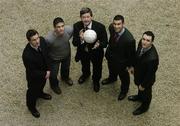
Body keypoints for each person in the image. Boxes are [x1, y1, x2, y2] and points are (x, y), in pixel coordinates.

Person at [72, 7, 108, 92]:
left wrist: (99, 44)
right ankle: (85, 75)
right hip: (83, 52)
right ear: (80, 18)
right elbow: (74, 43)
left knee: (97, 68)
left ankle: (96, 81)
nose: (86, 19)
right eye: (83, 17)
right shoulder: (77, 26)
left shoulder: (100, 27)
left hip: (96, 53)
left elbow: (105, 42)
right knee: (85, 65)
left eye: (88, 17)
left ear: (91, 17)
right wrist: (80, 39)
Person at [101, 15, 136, 100]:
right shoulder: (111, 28)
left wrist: (130, 66)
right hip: (111, 57)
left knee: (124, 78)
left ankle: (124, 91)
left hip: (122, 63)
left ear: (123, 24)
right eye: (115, 24)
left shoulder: (129, 40)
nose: (116, 26)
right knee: (111, 69)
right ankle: (112, 78)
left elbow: (131, 55)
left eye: (119, 24)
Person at [128, 31, 159, 115]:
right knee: (139, 87)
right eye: (143, 39)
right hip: (139, 74)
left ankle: (144, 107)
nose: (144, 42)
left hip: (146, 80)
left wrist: (143, 85)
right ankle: (139, 97)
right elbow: (137, 55)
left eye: (148, 40)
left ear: (152, 42)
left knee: (146, 94)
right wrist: (133, 66)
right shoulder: (141, 43)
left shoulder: (153, 58)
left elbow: (150, 74)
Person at [22, 29, 52, 118]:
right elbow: (32, 71)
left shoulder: (42, 40)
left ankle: (40, 93)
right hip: (34, 77)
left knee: (42, 85)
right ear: (29, 41)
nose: (37, 41)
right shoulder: (27, 55)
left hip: (45, 72)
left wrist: (48, 69)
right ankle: (31, 107)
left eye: (37, 38)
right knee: (32, 92)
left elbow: (46, 54)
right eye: (34, 40)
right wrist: (45, 74)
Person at [45, 17, 73, 95]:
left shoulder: (69, 30)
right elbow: (45, 50)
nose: (61, 29)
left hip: (66, 55)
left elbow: (76, 31)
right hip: (54, 59)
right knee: (53, 74)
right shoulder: (49, 39)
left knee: (66, 68)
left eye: (62, 26)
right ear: (54, 28)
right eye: (58, 27)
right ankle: (54, 85)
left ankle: (65, 78)